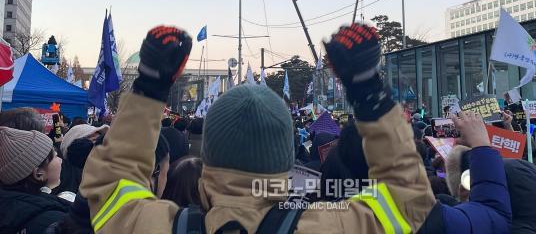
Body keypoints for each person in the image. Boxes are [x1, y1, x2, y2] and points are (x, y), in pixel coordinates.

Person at [79, 24, 509, 233]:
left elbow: (112, 187)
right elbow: (406, 201)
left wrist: (150, 88)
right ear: (287, 161)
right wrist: (369, 92)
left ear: (207, 157)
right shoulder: (325, 226)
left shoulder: (152, 225)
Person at [0, 126, 69, 233]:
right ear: (38, 173)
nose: (60, 160)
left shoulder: (9, 206)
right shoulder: (54, 223)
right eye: (55, 156)